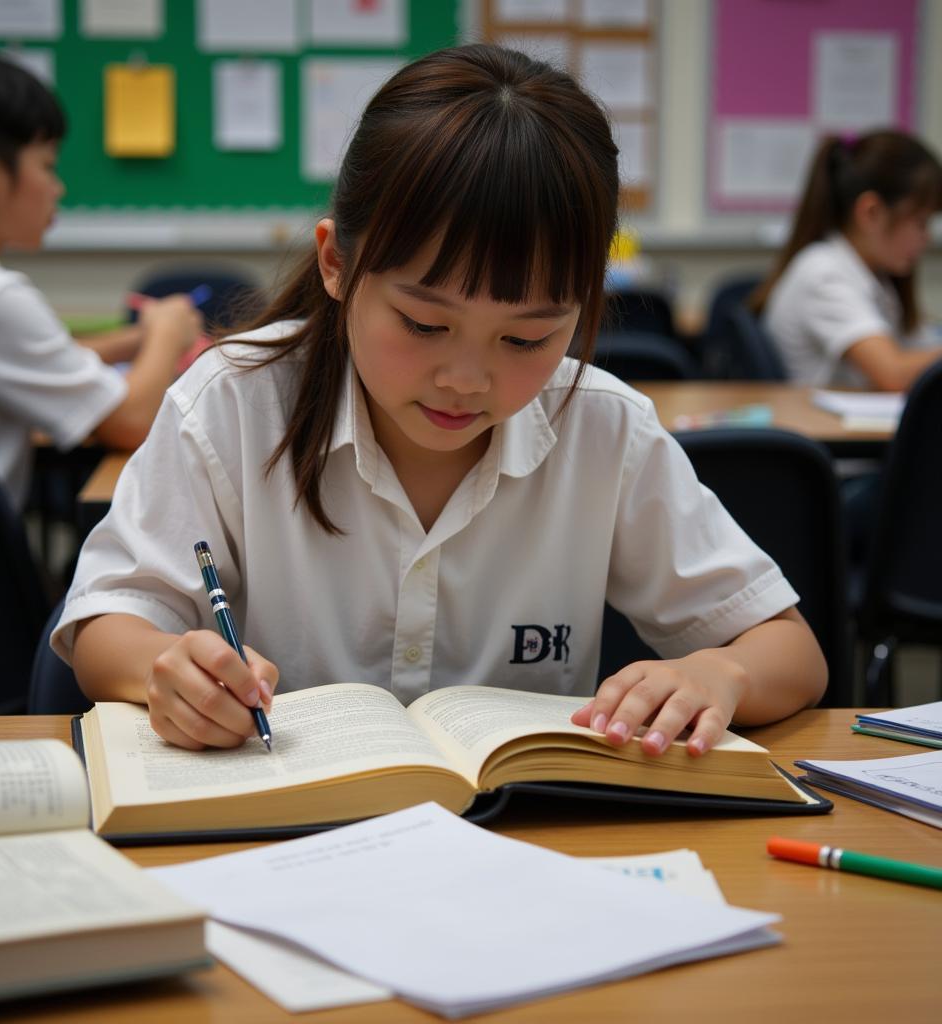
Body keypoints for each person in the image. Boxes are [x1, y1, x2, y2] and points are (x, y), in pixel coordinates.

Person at [55, 44, 827, 756]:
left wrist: (722, 675)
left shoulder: (602, 427)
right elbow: (104, 625)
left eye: (526, 339)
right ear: (335, 264)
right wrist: (167, 664)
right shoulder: (231, 403)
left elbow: (792, 652)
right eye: (425, 323)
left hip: (525, 853)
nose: (466, 379)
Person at [0, 52, 201, 510]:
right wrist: (167, 332)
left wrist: (135, 338)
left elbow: (48, 357)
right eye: (47, 165)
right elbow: (132, 421)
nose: (59, 187)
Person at [753, 131, 942, 391]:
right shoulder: (823, 273)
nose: (927, 238)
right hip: (821, 429)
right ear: (871, 213)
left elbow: (919, 347)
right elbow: (894, 374)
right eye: (920, 223)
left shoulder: (875, 275)